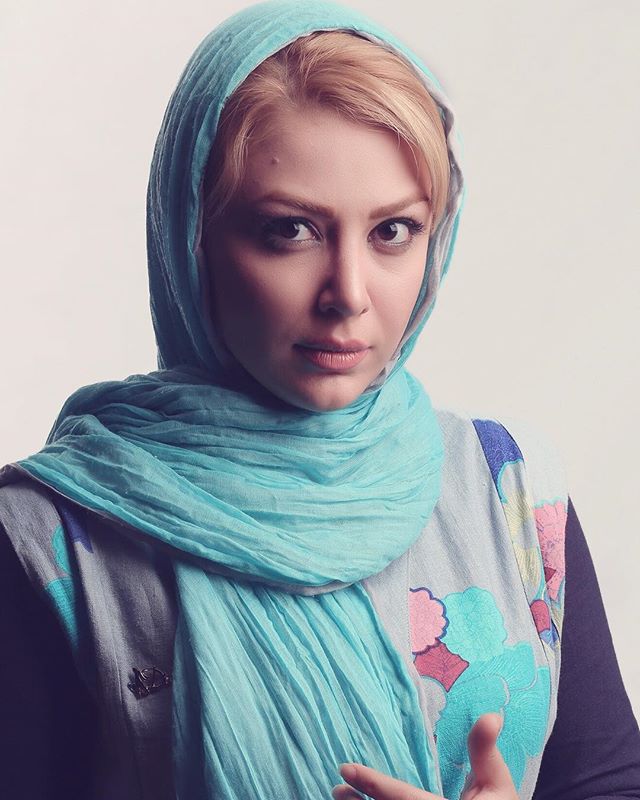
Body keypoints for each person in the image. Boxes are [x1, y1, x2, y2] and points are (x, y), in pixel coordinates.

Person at [0, 2, 638, 799]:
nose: (349, 294)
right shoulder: (48, 541)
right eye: (291, 230)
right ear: (191, 235)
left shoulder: (508, 491)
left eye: (392, 232)